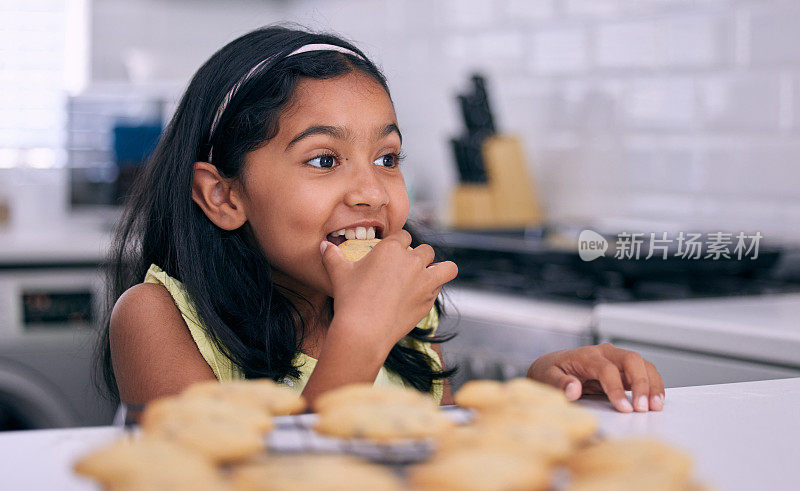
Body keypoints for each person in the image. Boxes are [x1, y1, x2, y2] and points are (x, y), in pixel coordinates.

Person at [96, 25, 664, 414]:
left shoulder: (403, 319)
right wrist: (360, 334)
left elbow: (418, 447)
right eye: (323, 160)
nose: (371, 191)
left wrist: (536, 397)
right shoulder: (157, 318)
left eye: (387, 159)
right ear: (222, 196)